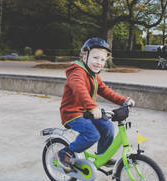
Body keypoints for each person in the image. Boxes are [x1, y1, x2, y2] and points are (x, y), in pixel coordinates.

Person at [56, 38, 135, 171]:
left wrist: (123, 101)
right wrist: (92, 107)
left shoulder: (93, 75)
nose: (99, 63)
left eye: (103, 60)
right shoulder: (77, 72)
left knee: (108, 127)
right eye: (95, 58)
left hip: (86, 112)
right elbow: (79, 90)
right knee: (92, 134)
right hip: (72, 113)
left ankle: (102, 156)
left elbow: (105, 90)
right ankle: (65, 153)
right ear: (85, 56)